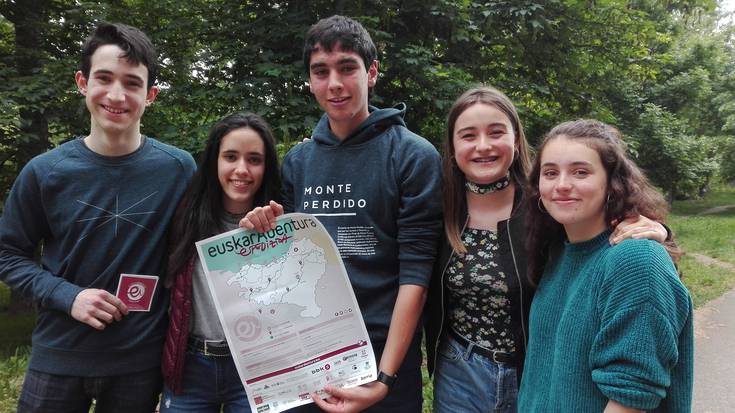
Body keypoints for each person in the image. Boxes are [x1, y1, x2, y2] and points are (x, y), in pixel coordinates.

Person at [424, 86, 670, 413]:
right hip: (460, 371)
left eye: (496, 132)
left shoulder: (544, 203)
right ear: (453, 147)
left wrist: (659, 231)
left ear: (516, 140)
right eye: (468, 135)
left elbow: (608, 231)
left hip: (532, 371)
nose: (483, 145)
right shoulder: (436, 206)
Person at [242, 14, 442, 413]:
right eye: (321, 72)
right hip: (307, 354)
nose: (334, 83)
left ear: (371, 73)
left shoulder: (413, 155)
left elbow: (416, 276)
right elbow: (286, 263)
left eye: (347, 68)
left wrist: (384, 380)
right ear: (310, 81)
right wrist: (257, 231)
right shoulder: (298, 161)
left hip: (381, 359)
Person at [0, 23, 196, 412]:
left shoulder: (178, 169)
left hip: (138, 364)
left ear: (151, 95)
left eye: (133, 83)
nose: (117, 95)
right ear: (82, 82)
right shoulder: (45, 172)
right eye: (104, 78)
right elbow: (7, 253)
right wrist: (67, 296)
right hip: (58, 356)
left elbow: (200, 245)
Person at [519, 119, 693, 412]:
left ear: (612, 182)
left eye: (580, 172)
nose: (562, 185)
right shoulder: (558, 252)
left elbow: (631, 397)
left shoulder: (635, 260)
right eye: (550, 173)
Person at [159, 112, 280, 412]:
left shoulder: (281, 222)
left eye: (254, 159)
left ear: (266, 166)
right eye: (230, 157)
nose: (242, 169)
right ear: (214, 160)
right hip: (191, 368)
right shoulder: (184, 216)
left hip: (258, 367)